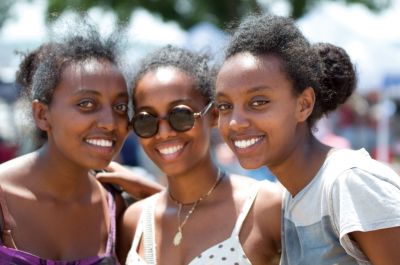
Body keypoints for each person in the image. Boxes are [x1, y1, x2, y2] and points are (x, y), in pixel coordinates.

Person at [215, 14, 400, 265]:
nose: (235, 121)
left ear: (304, 104)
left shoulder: (348, 183)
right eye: (225, 106)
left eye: (258, 102)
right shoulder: (295, 194)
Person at [100, 45, 282, 265]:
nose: (165, 133)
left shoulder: (266, 207)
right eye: (147, 121)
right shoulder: (134, 222)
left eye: (181, 115)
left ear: (213, 115)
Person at [0, 24, 160, 264]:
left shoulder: (116, 205)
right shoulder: (4, 198)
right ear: (42, 114)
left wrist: (156, 195)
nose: (110, 122)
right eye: (87, 104)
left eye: (119, 107)